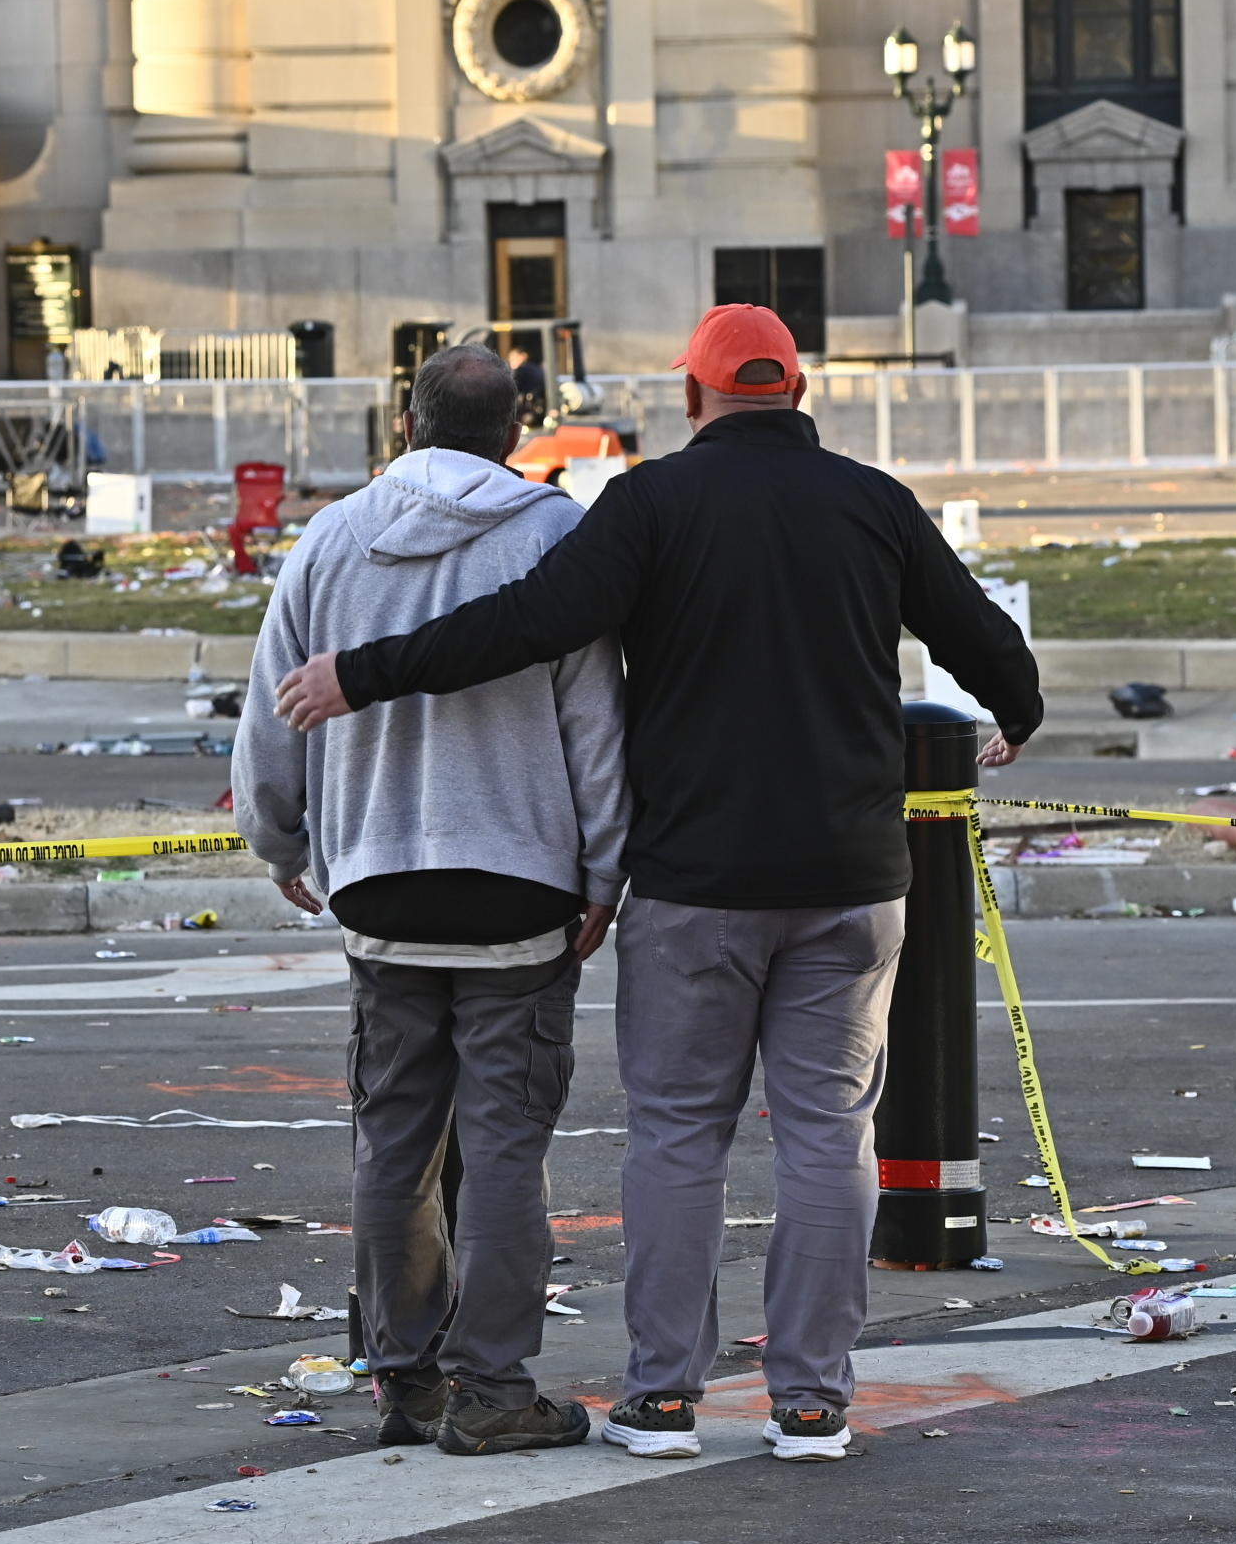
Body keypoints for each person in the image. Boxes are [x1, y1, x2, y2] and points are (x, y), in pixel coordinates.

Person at [275, 303, 1041, 1463]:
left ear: (692, 398)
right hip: (851, 879)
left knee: (680, 1134)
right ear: (797, 392)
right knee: (831, 1131)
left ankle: (665, 1397)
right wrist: (1016, 711)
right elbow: (979, 635)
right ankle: (812, 1400)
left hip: (696, 884)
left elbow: (524, 628)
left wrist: (361, 676)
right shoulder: (873, 503)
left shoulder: (650, 506)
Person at [233, 342, 627, 1458]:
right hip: (520, 881)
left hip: (379, 881)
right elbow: (595, 726)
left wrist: (281, 836)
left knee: (394, 1140)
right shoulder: (554, 537)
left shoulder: (332, 536)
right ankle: (494, 1387)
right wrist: (604, 871)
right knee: (508, 1144)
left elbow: (272, 712)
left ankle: (403, 1378)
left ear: (404, 423)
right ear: (516, 431)